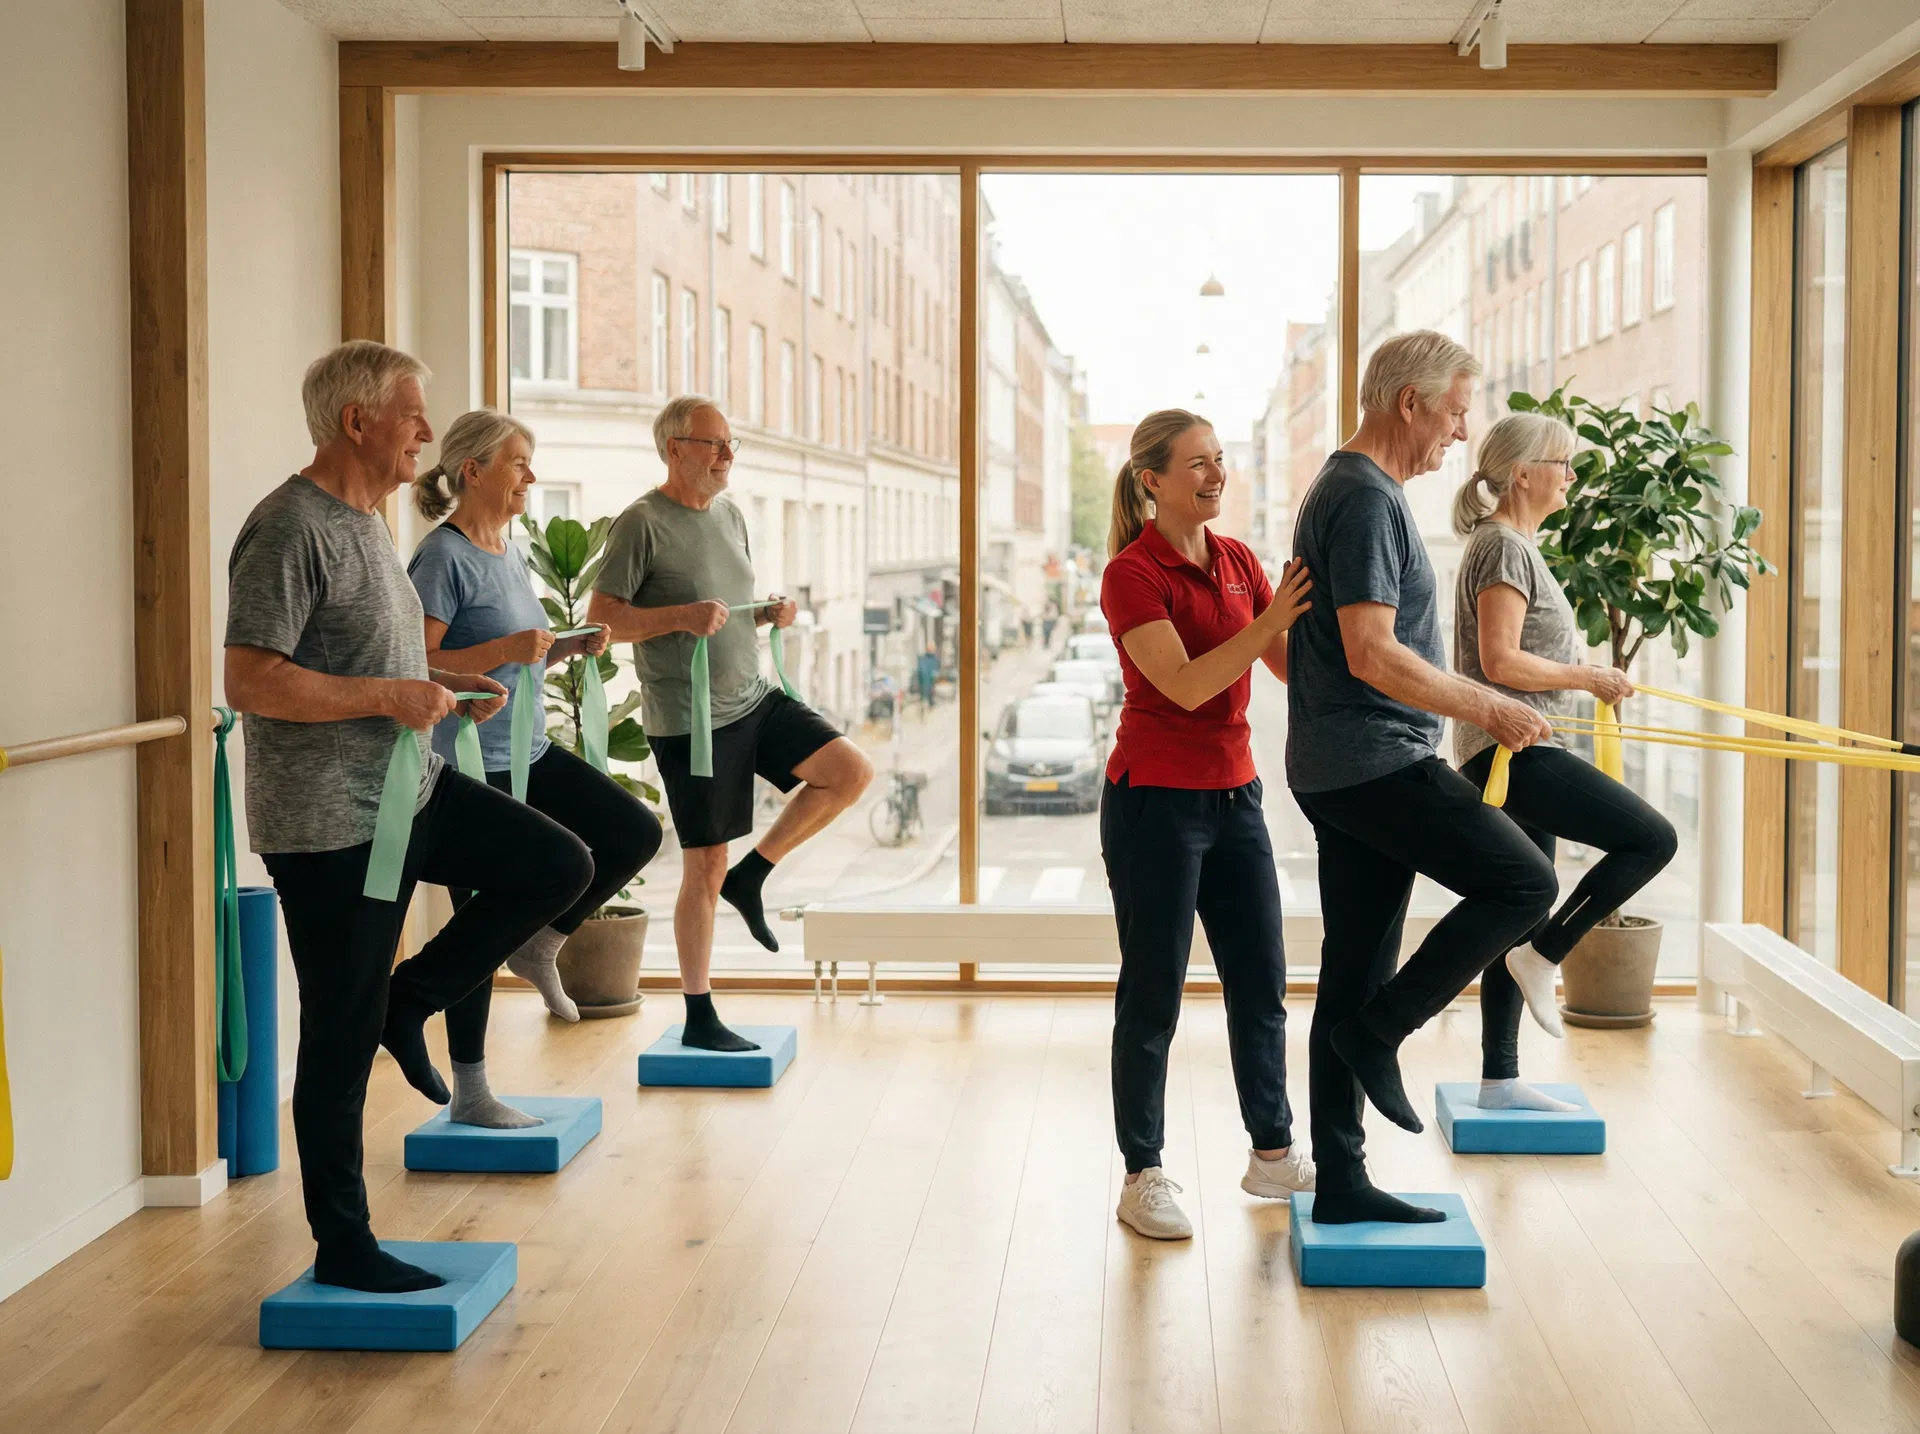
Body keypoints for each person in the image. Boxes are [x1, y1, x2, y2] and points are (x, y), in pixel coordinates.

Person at [225, 342, 592, 1292]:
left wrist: (443, 681)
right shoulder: (287, 527)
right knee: (336, 1043)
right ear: (357, 422)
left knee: (558, 864)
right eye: (412, 415)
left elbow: (372, 661)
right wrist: (394, 696)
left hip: (408, 789)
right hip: (329, 825)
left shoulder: (367, 523)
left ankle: (410, 1001)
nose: (427, 435)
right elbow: (249, 678)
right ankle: (344, 1247)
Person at [1287, 331, 1559, 1226]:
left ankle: (1343, 1178)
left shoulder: (1358, 490)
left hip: (1344, 766)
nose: (1460, 434)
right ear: (1410, 403)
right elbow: (1371, 653)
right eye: (1453, 413)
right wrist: (1488, 707)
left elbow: (1326, 649)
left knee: (1355, 963)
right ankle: (1382, 1033)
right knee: (1524, 879)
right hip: (1375, 763)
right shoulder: (1364, 499)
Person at [587, 396, 873, 1051]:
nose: (726, 456)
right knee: (704, 863)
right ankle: (698, 1016)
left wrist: (762, 612)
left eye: (730, 443)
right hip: (690, 720)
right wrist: (680, 617)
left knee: (848, 770)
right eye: (713, 444)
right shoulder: (640, 524)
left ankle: (757, 874)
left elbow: (725, 605)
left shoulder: (731, 514)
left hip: (754, 697)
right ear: (674, 449)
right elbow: (606, 621)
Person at [407, 407, 665, 1127]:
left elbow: (518, 650)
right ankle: (472, 1094)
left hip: (528, 749)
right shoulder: (441, 558)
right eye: (519, 462)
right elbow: (416, 664)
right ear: (474, 470)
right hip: (463, 767)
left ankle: (544, 942)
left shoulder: (509, 548)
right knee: (473, 936)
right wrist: (506, 650)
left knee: (631, 834)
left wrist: (563, 648)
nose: (531, 475)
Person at [1099, 408, 1318, 1241]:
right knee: (1153, 996)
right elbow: (1186, 685)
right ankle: (1142, 1173)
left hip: (1237, 794)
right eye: (1197, 463)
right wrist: (1271, 621)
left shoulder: (1235, 560)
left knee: (1261, 985)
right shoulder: (1133, 573)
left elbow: (1287, 663)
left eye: (1220, 460)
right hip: (1155, 799)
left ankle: (1272, 1152)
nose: (1215, 474)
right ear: (1152, 480)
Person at [1450, 411, 1677, 1101]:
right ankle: (1544, 955)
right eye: (1563, 464)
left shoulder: (1516, 546)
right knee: (1652, 840)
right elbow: (1500, 659)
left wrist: (1581, 674)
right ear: (1522, 474)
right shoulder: (1503, 549)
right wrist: (1590, 675)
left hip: (1512, 749)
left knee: (1518, 908)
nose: (1573, 477)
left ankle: (1500, 1080)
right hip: (1511, 752)